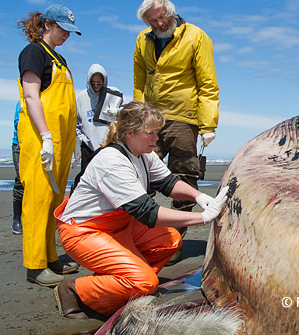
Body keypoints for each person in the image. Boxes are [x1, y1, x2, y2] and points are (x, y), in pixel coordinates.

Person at [53, 101, 228, 319]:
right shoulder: (111, 161)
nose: (157, 138)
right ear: (129, 133)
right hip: (84, 232)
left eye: (157, 132)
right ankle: (73, 290)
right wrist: (202, 217)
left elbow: (169, 184)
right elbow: (148, 213)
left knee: (171, 241)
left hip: (120, 225)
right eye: (151, 133)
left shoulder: (144, 154)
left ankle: (123, 282)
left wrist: (199, 196)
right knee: (145, 282)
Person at [133, 0, 220, 263]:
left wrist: (208, 125)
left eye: (162, 17)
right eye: (152, 21)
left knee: (184, 177)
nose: (159, 24)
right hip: (150, 119)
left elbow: (207, 82)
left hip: (184, 119)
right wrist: (136, 117)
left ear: (172, 12)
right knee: (141, 176)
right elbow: (139, 81)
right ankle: (144, 237)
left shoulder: (196, 36)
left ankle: (175, 241)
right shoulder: (142, 40)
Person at [17, 4, 82, 287]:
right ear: (47, 25)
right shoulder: (34, 52)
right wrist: (44, 136)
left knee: (54, 202)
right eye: (62, 29)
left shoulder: (61, 60)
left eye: (69, 31)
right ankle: (35, 266)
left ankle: (50, 257)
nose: (66, 34)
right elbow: (31, 96)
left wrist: (74, 140)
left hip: (62, 141)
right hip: (40, 139)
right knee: (37, 201)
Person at [76, 63, 124, 171]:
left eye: (99, 83)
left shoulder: (114, 94)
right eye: (93, 83)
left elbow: (127, 114)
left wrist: (117, 112)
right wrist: (80, 138)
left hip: (108, 145)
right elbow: (75, 122)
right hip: (88, 147)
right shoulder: (82, 97)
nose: (96, 86)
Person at [11, 101, 23, 235]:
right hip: (19, 146)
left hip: (39, 146)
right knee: (21, 180)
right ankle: (16, 219)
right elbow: (19, 125)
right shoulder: (21, 102)